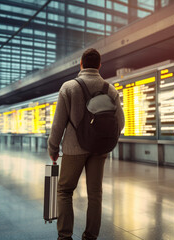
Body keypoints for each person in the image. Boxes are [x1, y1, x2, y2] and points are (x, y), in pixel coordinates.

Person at [47, 48, 124, 240]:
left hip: (74, 149)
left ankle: (65, 236)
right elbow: (120, 122)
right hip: (100, 149)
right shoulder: (110, 89)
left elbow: (58, 124)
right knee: (95, 194)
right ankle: (90, 236)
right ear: (99, 65)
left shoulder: (69, 87)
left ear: (81, 64)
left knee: (65, 191)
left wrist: (53, 148)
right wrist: (104, 139)